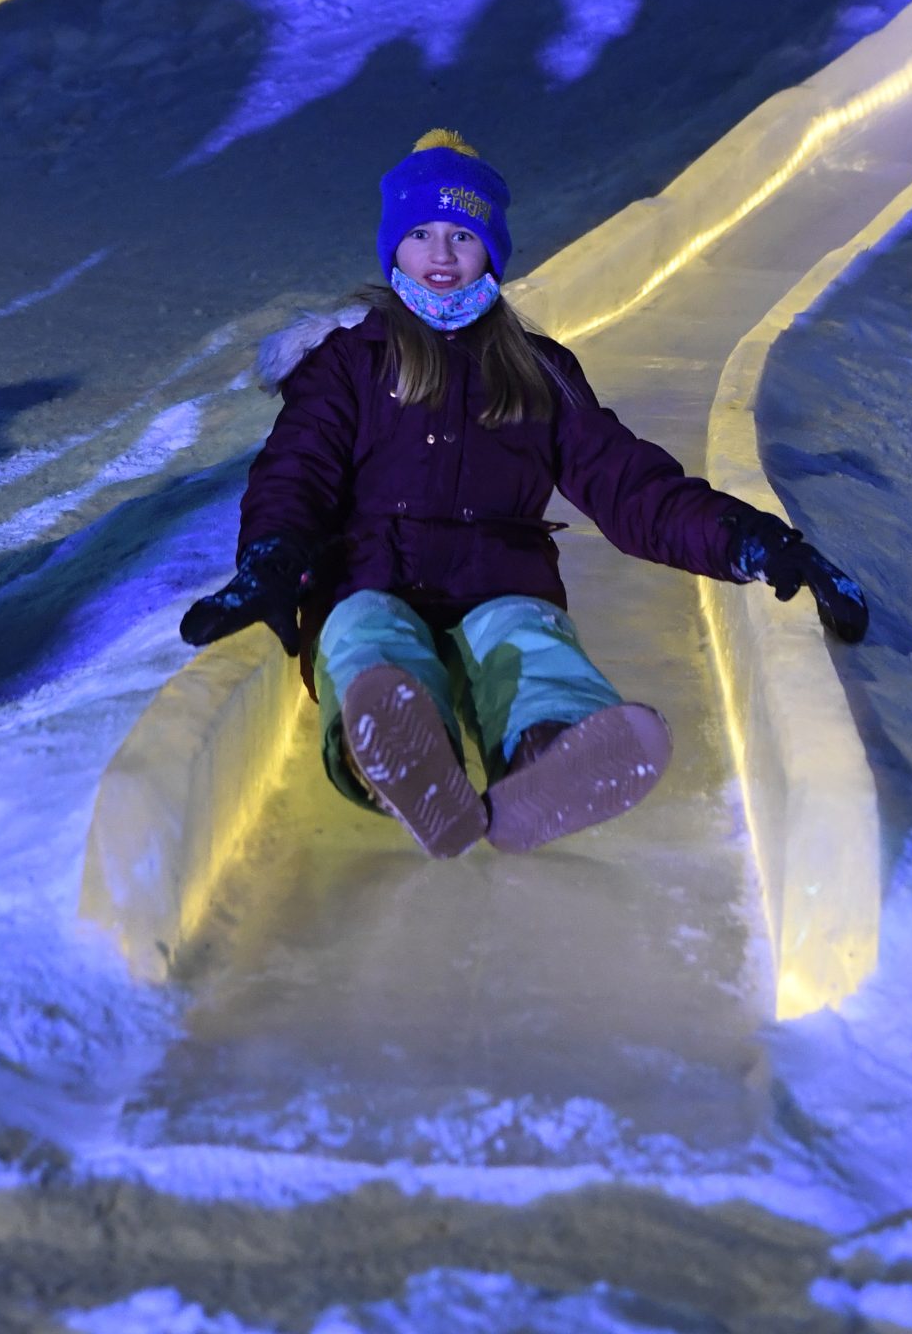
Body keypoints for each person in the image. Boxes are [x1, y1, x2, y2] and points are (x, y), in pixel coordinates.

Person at [180, 132, 867, 858]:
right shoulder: (349, 362)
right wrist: (271, 558)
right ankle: (400, 759)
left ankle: (551, 751)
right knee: (367, 635)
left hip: (497, 584)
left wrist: (754, 541)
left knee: (529, 641)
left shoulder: (537, 370)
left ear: (492, 250)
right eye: (420, 233)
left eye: (461, 235)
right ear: (393, 247)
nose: (440, 255)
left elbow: (628, 483)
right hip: (367, 576)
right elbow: (298, 467)